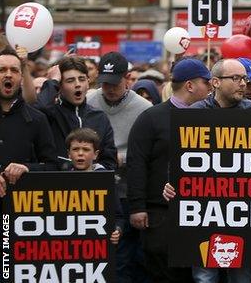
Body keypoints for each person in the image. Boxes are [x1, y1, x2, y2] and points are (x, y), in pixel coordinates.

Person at [165, 58, 251, 283]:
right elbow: (179, 159)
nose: (243, 83)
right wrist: (171, 182)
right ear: (216, 82)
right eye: (236, 78)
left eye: (245, 78)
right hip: (204, 215)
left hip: (243, 217)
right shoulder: (194, 115)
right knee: (204, 277)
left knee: (242, 276)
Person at [126, 58, 212, 282]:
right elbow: (137, 162)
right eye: (207, 82)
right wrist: (137, 206)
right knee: (163, 273)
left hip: (201, 214)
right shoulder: (152, 118)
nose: (211, 87)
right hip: (160, 214)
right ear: (190, 86)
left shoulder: (210, 118)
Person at [86, 51, 152, 283]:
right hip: (94, 191)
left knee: (126, 258)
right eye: (104, 83)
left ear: (128, 78)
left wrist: (121, 157)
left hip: (125, 191)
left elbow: (148, 151)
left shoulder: (143, 108)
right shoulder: (89, 99)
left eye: (114, 83)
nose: (109, 89)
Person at [34, 56, 117, 169]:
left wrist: (94, 172)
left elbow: (109, 161)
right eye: (70, 80)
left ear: (88, 82)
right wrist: (52, 81)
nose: (77, 84)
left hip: (93, 185)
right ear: (60, 86)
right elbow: (40, 109)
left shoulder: (100, 117)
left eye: (82, 79)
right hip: (57, 184)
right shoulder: (52, 114)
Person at [0, 48, 57, 197]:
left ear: (22, 78)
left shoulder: (37, 119)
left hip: (21, 207)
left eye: (14, 70)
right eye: (1, 70)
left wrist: (27, 168)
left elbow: (52, 166)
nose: (8, 74)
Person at [65, 127, 123, 245]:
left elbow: (118, 216)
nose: (80, 153)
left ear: (95, 154)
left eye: (86, 149)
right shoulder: (61, 179)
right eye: (75, 149)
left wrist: (117, 230)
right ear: (69, 154)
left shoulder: (105, 180)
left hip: (98, 246)